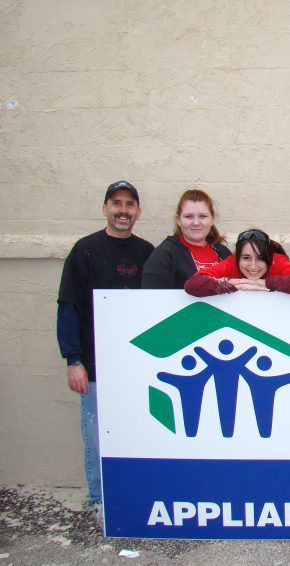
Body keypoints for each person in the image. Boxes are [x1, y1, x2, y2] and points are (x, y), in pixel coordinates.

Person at [56, 180, 154, 523]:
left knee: (135, 432)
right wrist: (74, 360)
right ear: (105, 208)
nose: (123, 210)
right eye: (116, 203)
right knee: (97, 435)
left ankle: (133, 496)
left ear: (138, 212)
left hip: (136, 367)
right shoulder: (84, 250)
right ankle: (99, 500)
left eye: (129, 204)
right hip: (95, 365)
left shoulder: (147, 252)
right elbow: (69, 306)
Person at [141, 189, 231, 289]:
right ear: (178, 220)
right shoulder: (164, 255)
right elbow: (151, 298)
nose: (196, 223)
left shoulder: (223, 253)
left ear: (212, 219)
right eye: (189, 216)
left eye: (203, 216)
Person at [184, 228, 290, 296]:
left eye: (261, 258)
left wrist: (263, 283)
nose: (253, 266)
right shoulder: (231, 263)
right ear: (237, 257)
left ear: (269, 257)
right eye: (246, 258)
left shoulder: (276, 261)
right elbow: (192, 284)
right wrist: (229, 286)